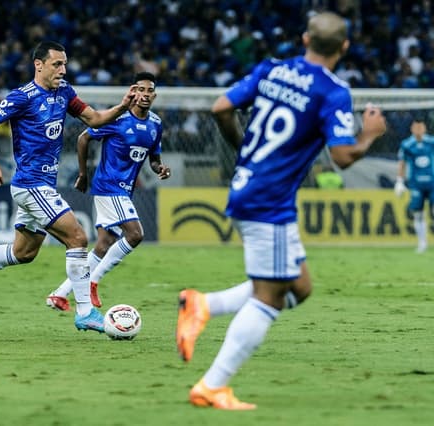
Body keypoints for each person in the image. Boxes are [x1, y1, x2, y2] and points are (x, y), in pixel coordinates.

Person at [175, 12, 387, 410]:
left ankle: (203, 304)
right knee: (269, 298)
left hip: (255, 190)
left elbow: (221, 107)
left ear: (305, 38)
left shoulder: (272, 69)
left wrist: (243, 153)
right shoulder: (333, 91)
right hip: (266, 200)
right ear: (344, 48)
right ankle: (212, 385)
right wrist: (369, 135)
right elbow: (342, 157)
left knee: (299, 287)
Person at [0, 41, 139, 333]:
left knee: (24, 253)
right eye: (57, 64)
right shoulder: (23, 96)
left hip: (42, 185)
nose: (63, 69)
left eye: (65, 64)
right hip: (30, 185)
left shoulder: (65, 93)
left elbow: (94, 119)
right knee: (78, 237)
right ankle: (85, 312)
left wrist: (122, 106)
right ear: (39, 65)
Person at [45, 71, 171, 311]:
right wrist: (83, 174)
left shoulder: (155, 123)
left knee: (104, 245)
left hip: (125, 191)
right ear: (133, 92)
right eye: (140, 90)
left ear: (154, 95)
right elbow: (83, 138)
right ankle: (93, 281)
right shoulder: (117, 119)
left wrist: (159, 168)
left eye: (149, 91)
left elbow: (153, 158)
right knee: (135, 235)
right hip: (108, 187)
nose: (145, 95)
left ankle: (59, 295)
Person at [394, 114, 434, 252]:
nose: (419, 130)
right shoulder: (406, 144)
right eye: (416, 127)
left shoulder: (433, 142)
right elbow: (402, 164)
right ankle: (422, 244)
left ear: (425, 128)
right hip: (416, 184)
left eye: (421, 127)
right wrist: (399, 181)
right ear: (412, 129)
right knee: (418, 213)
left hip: (432, 183)